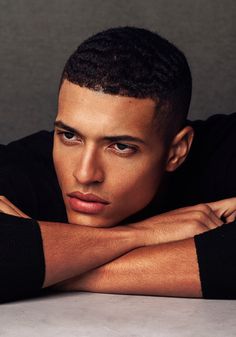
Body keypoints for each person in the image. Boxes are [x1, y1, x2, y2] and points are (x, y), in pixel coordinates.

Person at [0, 27, 235, 303]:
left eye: (120, 147)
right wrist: (142, 234)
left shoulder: (223, 150)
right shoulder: (26, 165)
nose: (84, 174)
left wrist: (45, 270)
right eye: (69, 136)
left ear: (176, 151)